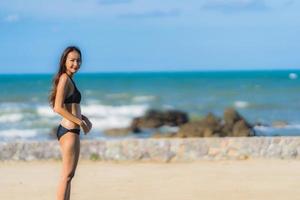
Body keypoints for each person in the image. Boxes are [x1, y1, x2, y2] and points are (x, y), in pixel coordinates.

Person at [49, 46, 92, 200]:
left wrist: (83, 118)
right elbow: (58, 107)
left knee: (70, 175)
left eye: (78, 60)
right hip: (68, 131)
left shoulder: (69, 79)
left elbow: (70, 106)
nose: (76, 64)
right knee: (66, 176)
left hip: (71, 130)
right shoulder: (64, 79)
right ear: (65, 61)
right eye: (72, 60)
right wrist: (79, 121)